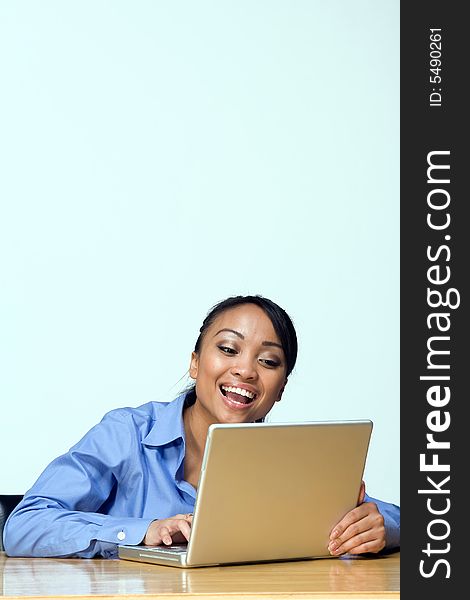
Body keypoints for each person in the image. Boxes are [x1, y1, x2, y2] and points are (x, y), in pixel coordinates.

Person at [3, 295, 400, 558]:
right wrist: (144, 531)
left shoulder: (287, 459)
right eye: (228, 349)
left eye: (269, 361)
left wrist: (383, 527)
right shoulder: (127, 432)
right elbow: (23, 524)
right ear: (195, 363)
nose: (245, 369)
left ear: (280, 389)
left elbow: (400, 518)